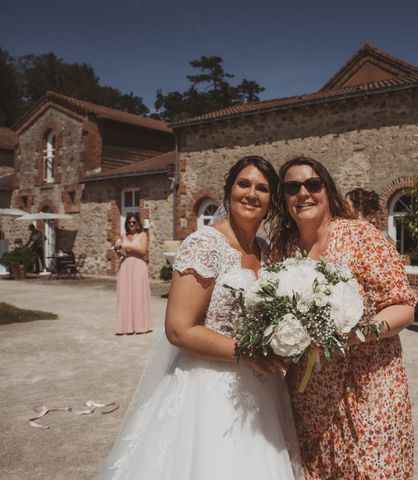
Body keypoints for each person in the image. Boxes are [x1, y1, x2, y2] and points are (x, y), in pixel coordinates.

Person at [96, 156, 303, 479]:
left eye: (262, 189)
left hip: (262, 390)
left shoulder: (266, 250)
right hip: (208, 388)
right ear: (228, 191)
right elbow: (179, 330)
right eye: (243, 184)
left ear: (271, 202)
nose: (251, 194)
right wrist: (247, 354)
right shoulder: (205, 243)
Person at [271, 156, 417, 480]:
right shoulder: (284, 251)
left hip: (369, 387)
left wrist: (359, 332)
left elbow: (404, 305)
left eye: (313, 184)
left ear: (327, 189)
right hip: (311, 395)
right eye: (292, 187)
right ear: (283, 198)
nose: (303, 193)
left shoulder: (360, 235)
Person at [114, 213, 153, 335]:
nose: (131, 224)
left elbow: (142, 250)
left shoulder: (142, 235)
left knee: (138, 293)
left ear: (138, 224)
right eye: (129, 222)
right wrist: (117, 249)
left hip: (138, 266)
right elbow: (121, 253)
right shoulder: (123, 236)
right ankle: (126, 327)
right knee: (125, 294)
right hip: (125, 266)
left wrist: (126, 245)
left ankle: (141, 326)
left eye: (134, 222)